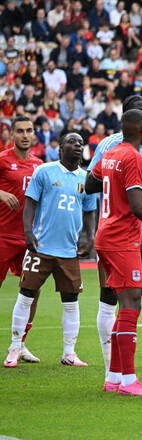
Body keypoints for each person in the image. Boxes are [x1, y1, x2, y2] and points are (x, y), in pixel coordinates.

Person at [87, 95, 142, 388]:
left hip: (106, 232)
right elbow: (139, 206)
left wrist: (114, 187)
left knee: (130, 299)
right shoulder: (135, 157)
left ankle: (114, 377)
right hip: (123, 236)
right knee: (130, 302)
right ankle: (128, 380)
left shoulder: (111, 153)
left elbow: (91, 183)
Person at [4, 133, 95, 368]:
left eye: (81, 144)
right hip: (41, 247)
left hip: (69, 250)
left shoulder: (86, 178)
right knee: (26, 295)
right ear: (60, 148)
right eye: (72, 142)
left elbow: (88, 211)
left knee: (71, 301)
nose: (78, 146)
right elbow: (30, 203)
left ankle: (69, 352)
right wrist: (28, 232)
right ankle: (15, 346)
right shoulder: (44, 171)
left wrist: (90, 238)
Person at [0, 116, 43, 365]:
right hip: (3, 235)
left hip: (28, 237)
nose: (25, 135)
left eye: (29, 131)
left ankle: (20, 343)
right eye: (20, 131)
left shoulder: (39, 165)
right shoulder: (3, 160)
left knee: (33, 290)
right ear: (11, 135)